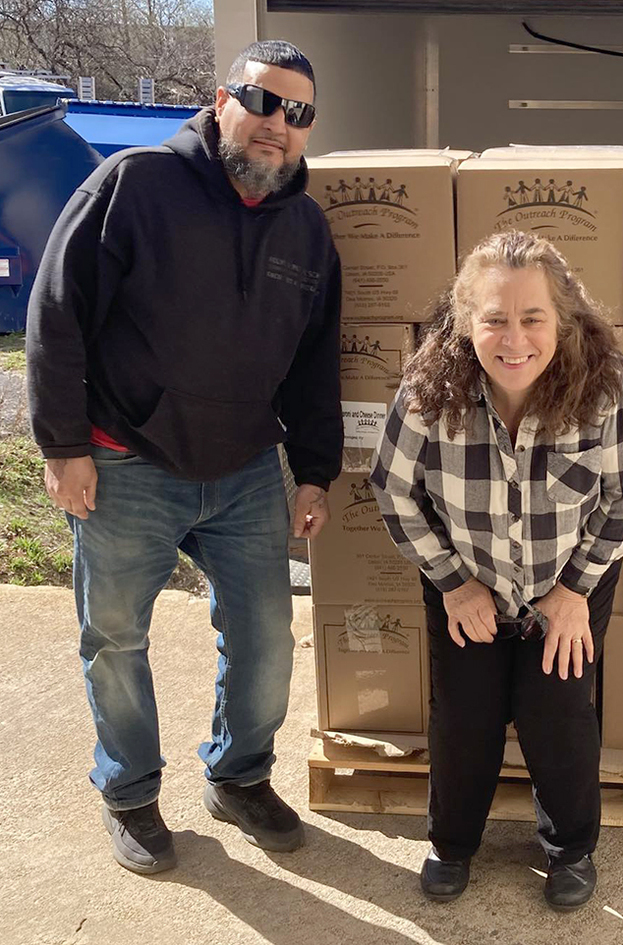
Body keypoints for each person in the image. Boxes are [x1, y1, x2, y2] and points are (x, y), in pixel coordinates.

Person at [26, 40, 342, 874]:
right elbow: (56, 312)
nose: (279, 124)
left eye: (299, 112)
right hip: (124, 461)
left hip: (241, 469)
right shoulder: (135, 183)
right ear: (219, 98)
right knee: (116, 638)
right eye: (264, 101)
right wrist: (63, 446)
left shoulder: (306, 228)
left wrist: (314, 470)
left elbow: (316, 361)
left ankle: (238, 776)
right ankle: (129, 791)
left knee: (267, 638)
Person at [371, 231, 623, 911]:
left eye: (533, 318)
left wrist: (574, 590)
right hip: (467, 579)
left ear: (565, 318)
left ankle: (571, 847)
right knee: (465, 715)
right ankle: (451, 841)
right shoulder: (427, 389)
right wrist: (451, 582)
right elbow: (391, 488)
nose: (514, 338)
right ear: (467, 321)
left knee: (556, 710)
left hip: (570, 577)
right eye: (494, 318)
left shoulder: (611, 388)